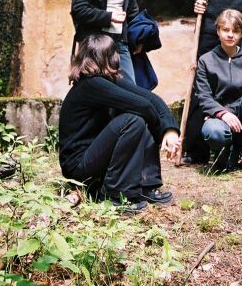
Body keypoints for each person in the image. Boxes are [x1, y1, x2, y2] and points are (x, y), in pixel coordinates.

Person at [59, 34, 179, 213]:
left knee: (139, 116)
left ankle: (146, 186)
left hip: (93, 159)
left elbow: (152, 99)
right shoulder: (91, 85)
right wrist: (158, 133)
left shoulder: (106, 81)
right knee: (132, 120)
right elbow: (144, 106)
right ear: (112, 57)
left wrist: (170, 131)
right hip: (78, 168)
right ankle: (116, 195)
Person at [195, 9, 242, 180]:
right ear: (218, 31)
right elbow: (204, 96)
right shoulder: (206, 60)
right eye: (225, 30)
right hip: (220, 119)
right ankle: (227, 153)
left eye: (235, 31)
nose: (230, 35)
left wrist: (230, 112)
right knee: (213, 131)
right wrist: (222, 114)